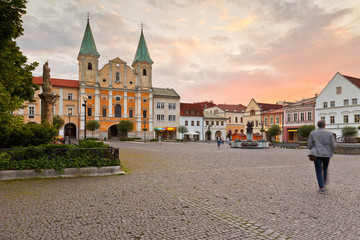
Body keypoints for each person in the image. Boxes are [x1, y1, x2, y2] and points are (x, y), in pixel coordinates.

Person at [308, 120, 335, 194]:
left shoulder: (313, 133)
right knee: (325, 169)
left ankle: (321, 187)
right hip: (327, 154)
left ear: (317, 125)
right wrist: (330, 151)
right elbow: (333, 145)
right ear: (324, 125)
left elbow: (310, 144)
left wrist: (313, 149)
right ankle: (324, 183)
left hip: (316, 154)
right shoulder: (330, 133)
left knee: (318, 170)